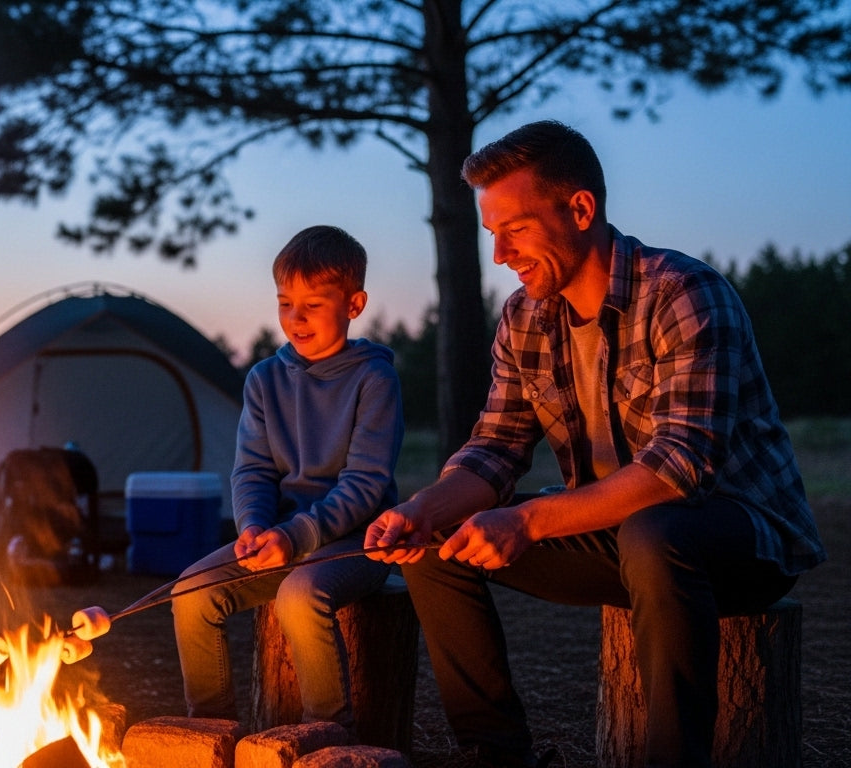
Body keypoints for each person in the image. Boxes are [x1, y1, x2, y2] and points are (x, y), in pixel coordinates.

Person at [366, 120, 826, 768]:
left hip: (740, 538)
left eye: (514, 229)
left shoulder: (683, 293)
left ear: (580, 209)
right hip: (616, 532)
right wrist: (426, 510)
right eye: (490, 232)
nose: (499, 254)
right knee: (435, 549)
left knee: (656, 532)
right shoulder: (525, 318)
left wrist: (525, 519)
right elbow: (495, 449)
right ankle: (496, 754)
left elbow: (678, 468)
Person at [171, 225, 403, 734]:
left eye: (313, 305)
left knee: (299, 596)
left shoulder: (374, 379)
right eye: (284, 303)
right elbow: (252, 468)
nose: (295, 319)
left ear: (354, 304)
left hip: (355, 543)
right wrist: (253, 525)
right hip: (278, 537)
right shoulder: (264, 380)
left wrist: (296, 535)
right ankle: (211, 732)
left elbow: (365, 484)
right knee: (190, 592)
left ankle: (325, 736)